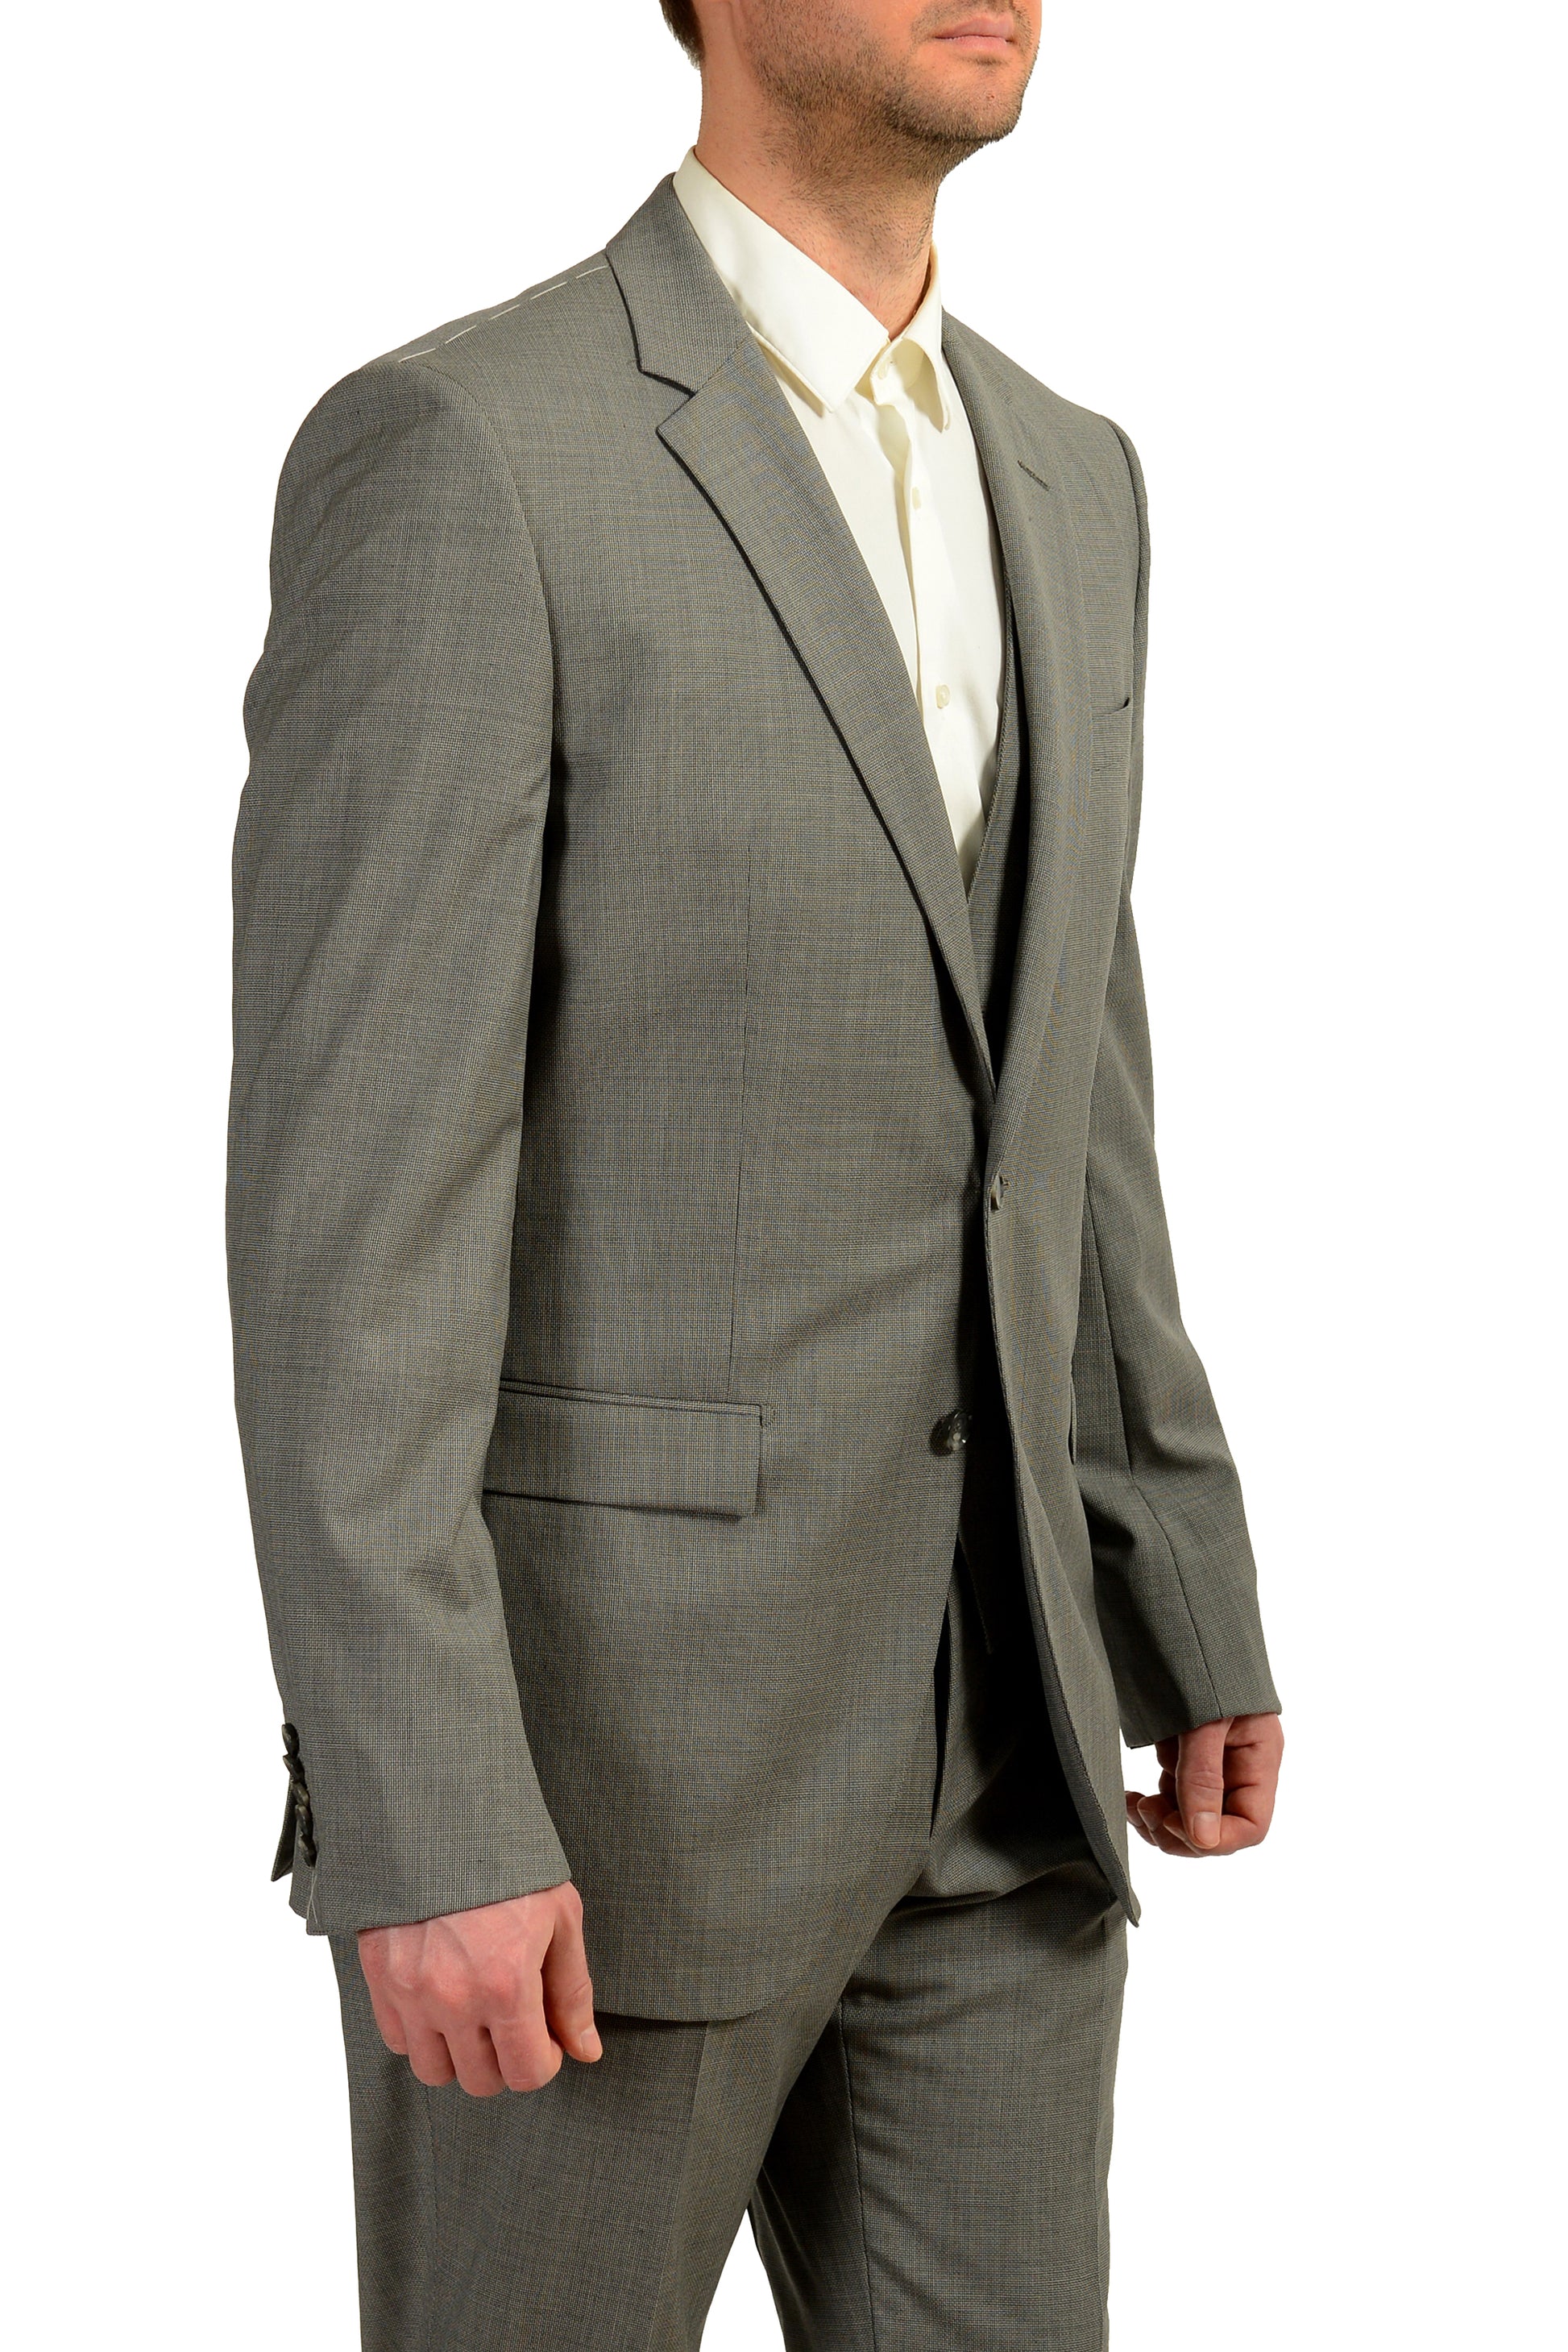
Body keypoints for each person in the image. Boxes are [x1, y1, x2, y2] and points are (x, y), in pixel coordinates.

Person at [227, 2, 1284, 2343]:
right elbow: (349, 1220)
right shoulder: (469, 454)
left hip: (1009, 1756)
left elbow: (1072, 1078)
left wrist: (1169, 1573)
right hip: (600, 1795)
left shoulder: (1073, 473)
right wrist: (422, 1803)